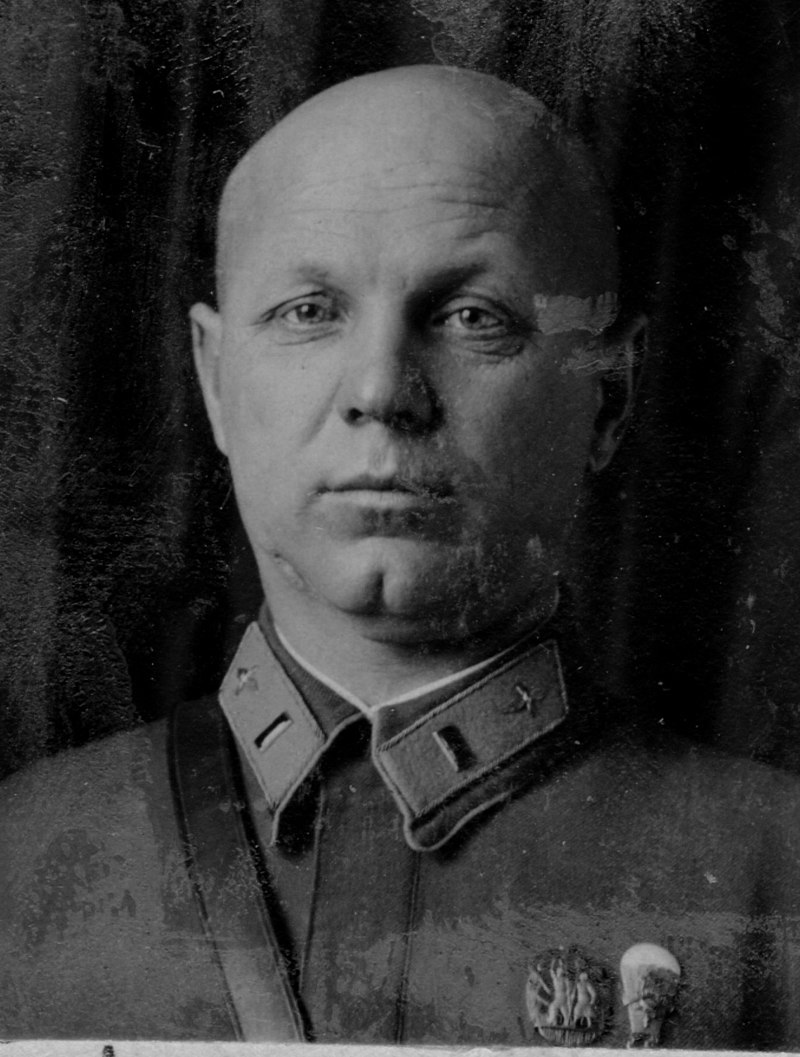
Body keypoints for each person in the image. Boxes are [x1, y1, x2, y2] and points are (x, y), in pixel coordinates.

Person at [1, 65, 799, 1048]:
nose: (380, 390)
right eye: (308, 311)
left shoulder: (774, 872)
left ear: (608, 392)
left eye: (472, 317)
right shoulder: (20, 860)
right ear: (213, 379)